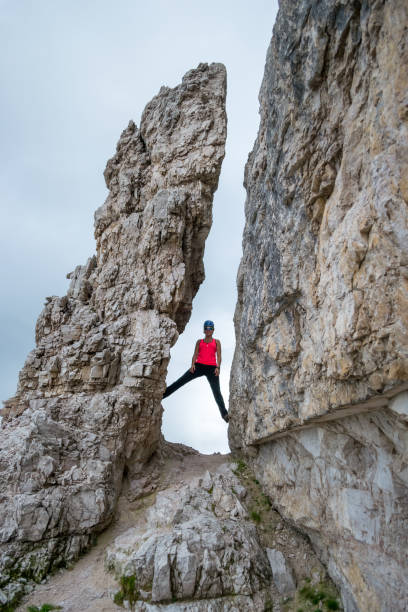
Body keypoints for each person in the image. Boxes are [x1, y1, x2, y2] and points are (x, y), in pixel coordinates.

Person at [162, 320, 229, 423]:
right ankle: (162, 395)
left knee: (217, 392)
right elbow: (195, 354)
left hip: (212, 368)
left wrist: (218, 367)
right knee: (180, 382)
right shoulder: (199, 342)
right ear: (204, 330)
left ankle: (224, 414)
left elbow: (219, 356)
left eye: (210, 328)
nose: (208, 330)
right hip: (198, 366)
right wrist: (192, 365)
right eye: (206, 328)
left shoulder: (217, 342)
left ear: (213, 330)